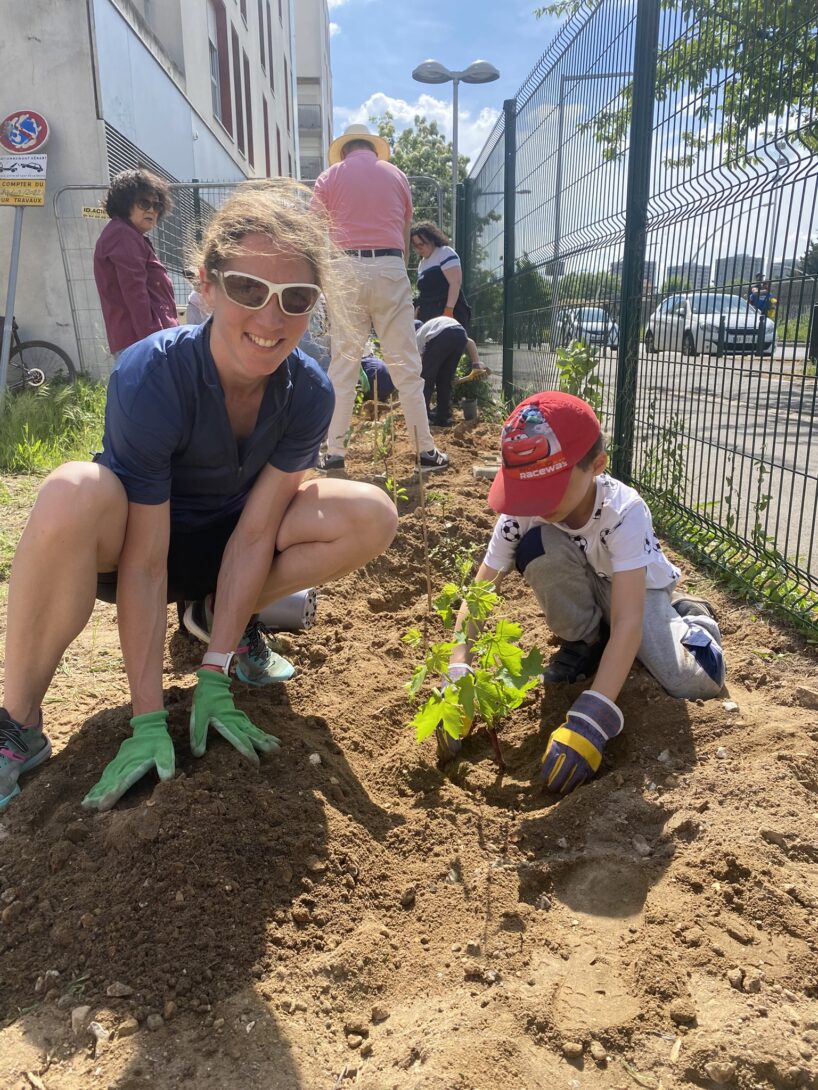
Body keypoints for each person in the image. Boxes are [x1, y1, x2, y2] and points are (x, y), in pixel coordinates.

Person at [0, 182, 398, 813]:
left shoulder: (308, 392)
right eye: (247, 289)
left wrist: (211, 673)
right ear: (206, 286)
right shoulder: (152, 374)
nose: (271, 320)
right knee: (71, 490)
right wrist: (148, 717)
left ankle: (218, 623)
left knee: (370, 512)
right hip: (132, 545)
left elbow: (255, 533)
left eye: (295, 299)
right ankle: (16, 723)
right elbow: (145, 559)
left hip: (226, 550)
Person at [437, 391, 725, 793]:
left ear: (597, 466)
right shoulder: (523, 508)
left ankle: (691, 614)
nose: (534, 503)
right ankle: (587, 641)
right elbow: (481, 590)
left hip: (633, 593)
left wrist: (594, 716)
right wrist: (458, 668)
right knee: (536, 545)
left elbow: (627, 621)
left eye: (549, 488)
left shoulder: (624, 511)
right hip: (585, 585)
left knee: (691, 681)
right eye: (526, 489)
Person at [310, 124, 447, 474]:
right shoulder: (396, 175)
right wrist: (395, 270)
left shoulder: (329, 177)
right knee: (405, 367)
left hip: (345, 268)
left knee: (343, 368)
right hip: (388, 266)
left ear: (343, 151)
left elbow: (315, 229)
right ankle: (425, 452)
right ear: (372, 148)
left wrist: (327, 276)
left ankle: (335, 453)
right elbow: (404, 228)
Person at [93, 169, 179, 355]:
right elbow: (135, 294)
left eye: (157, 205)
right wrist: (155, 344)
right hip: (142, 342)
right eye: (144, 203)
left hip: (143, 340)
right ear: (125, 203)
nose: (151, 210)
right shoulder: (122, 235)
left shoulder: (130, 235)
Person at [414, 316, 488, 425]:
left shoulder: (417, 337)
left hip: (442, 336)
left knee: (426, 381)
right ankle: (442, 418)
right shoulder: (432, 327)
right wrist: (476, 364)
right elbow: (470, 342)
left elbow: (419, 369)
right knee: (445, 380)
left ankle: (422, 418)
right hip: (460, 334)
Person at [410, 221, 471, 330]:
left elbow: (455, 283)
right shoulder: (422, 263)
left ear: (432, 239)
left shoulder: (444, 252)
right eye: (415, 246)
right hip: (428, 315)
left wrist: (448, 311)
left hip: (449, 312)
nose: (419, 249)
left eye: (421, 244)